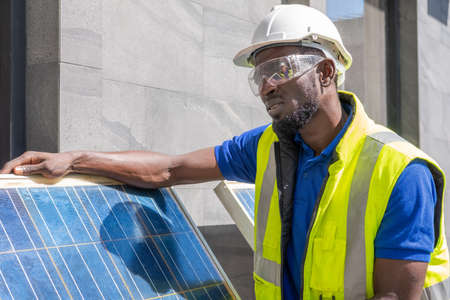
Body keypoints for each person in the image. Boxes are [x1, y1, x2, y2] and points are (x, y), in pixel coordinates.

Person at [1, 4, 449, 300]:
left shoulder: (400, 172)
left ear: (327, 72)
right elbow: (169, 169)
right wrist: (75, 159)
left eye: (281, 68)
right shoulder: (269, 145)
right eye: (259, 76)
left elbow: (394, 296)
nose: (267, 85)